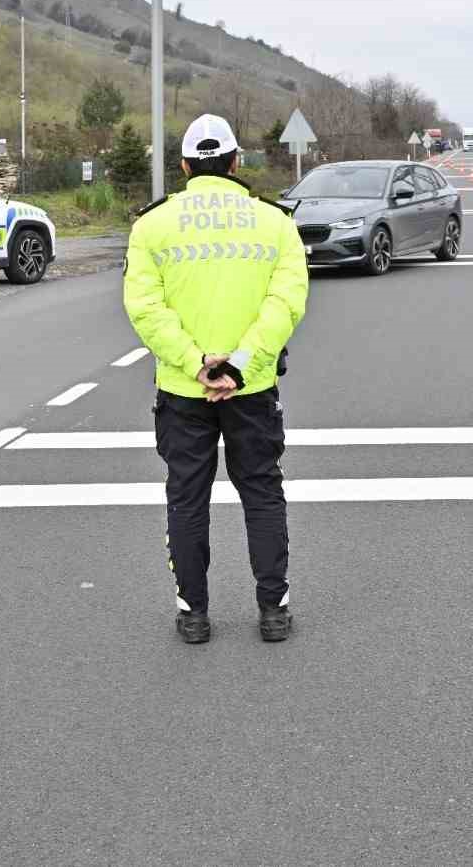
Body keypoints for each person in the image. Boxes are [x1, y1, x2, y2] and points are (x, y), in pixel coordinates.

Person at [123, 114, 309, 645]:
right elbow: (286, 303)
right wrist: (241, 364)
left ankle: (194, 614)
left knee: (187, 498)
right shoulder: (274, 223)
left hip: (183, 391)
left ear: (183, 167)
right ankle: (273, 610)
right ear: (235, 163)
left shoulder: (152, 225)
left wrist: (195, 361)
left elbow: (144, 306)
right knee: (262, 493)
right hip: (251, 389)